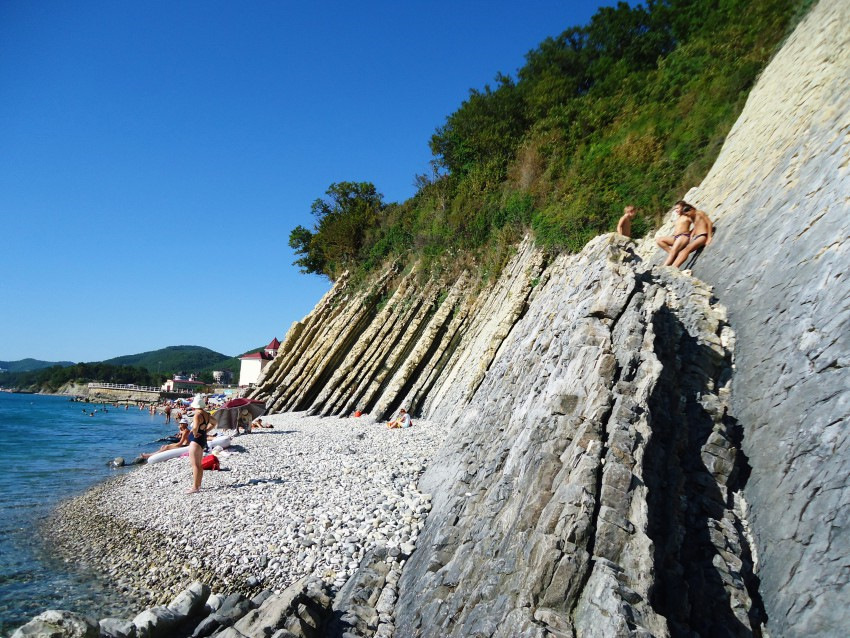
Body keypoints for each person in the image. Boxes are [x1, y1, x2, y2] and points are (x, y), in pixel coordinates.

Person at [187, 394, 217, 494]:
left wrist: (194, 433)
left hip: (196, 441)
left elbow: (195, 427)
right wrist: (206, 430)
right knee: (199, 464)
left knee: (195, 465)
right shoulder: (207, 414)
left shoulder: (197, 415)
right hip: (203, 440)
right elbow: (215, 422)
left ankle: (195, 487)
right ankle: (198, 484)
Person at [656, 200, 695, 266]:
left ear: (683, 207)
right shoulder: (679, 217)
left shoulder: (687, 216)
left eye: (677, 208)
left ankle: (664, 266)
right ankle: (673, 254)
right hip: (676, 237)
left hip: (683, 236)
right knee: (659, 240)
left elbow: (697, 224)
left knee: (674, 250)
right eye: (675, 209)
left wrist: (691, 233)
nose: (676, 210)